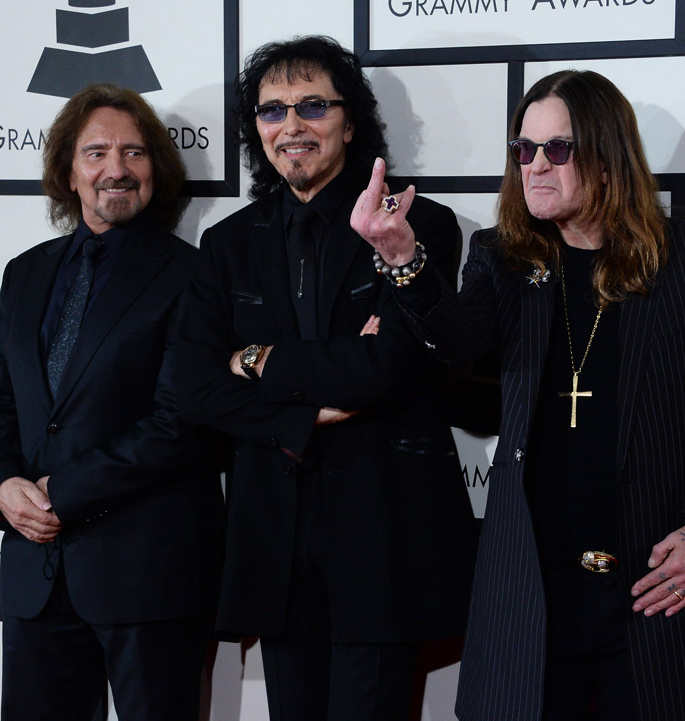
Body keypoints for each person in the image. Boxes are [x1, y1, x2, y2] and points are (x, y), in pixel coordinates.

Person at [352, 69, 685, 721]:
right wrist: (404, 258)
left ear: (607, 156)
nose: (536, 165)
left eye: (557, 148)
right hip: (534, 598)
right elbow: (458, 341)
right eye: (524, 149)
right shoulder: (504, 259)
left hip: (657, 595)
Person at [175, 35, 477, 721]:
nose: (292, 125)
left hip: (383, 538)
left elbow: (389, 366)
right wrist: (302, 414)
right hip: (275, 546)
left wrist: (255, 360)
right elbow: (191, 385)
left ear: (350, 119)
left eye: (312, 104)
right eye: (273, 110)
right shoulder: (226, 244)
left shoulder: (415, 222)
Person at [0, 84, 224, 721]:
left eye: (135, 152)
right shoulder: (24, 273)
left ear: (156, 171)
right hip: (35, 574)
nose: (117, 168)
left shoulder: (194, 275)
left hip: (149, 575)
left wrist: (65, 492)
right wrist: (2, 484)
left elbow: (182, 423)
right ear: (68, 171)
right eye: (97, 152)